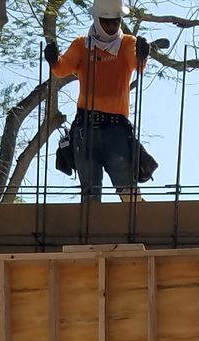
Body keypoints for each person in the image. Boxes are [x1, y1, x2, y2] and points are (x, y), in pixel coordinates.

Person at [47, 0, 151, 202]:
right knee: (90, 191)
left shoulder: (127, 43)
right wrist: (54, 60)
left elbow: (137, 63)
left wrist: (143, 55)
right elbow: (62, 69)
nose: (112, 27)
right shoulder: (81, 46)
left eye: (115, 22)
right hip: (86, 130)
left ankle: (142, 227)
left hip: (116, 130)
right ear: (96, 19)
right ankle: (91, 229)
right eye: (106, 22)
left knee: (127, 188)